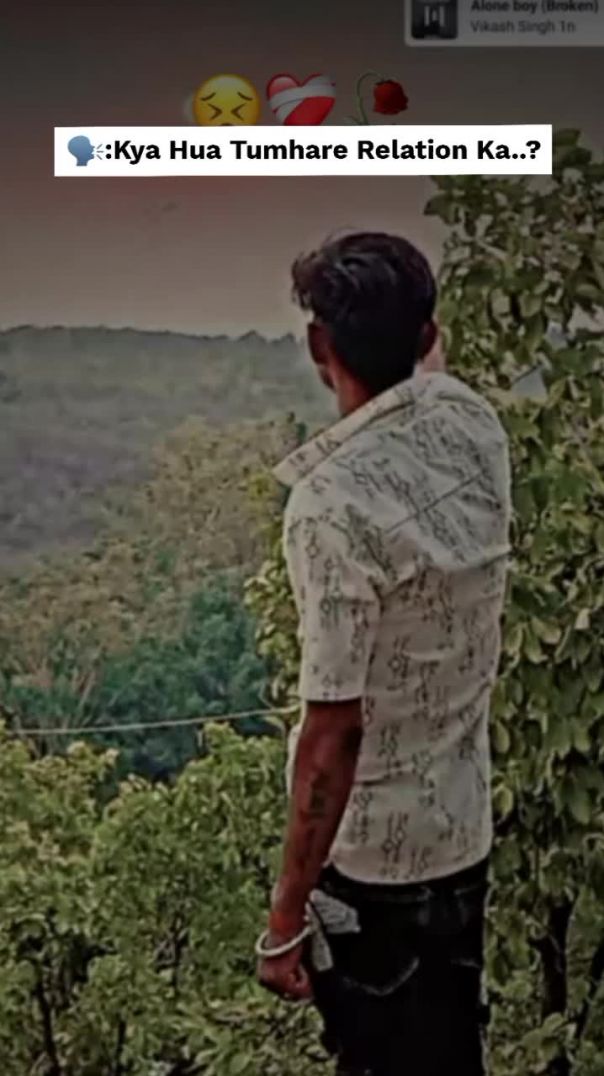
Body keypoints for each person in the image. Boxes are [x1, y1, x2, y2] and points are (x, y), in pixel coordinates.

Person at [256, 232, 511, 1075]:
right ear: (427, 333)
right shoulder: (474, 425)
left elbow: (333, 731)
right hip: (461, 831)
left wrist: (285, 917)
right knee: (450, 1050)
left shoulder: (329, 508)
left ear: (318, 346)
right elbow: (430, 375)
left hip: (374, 873)